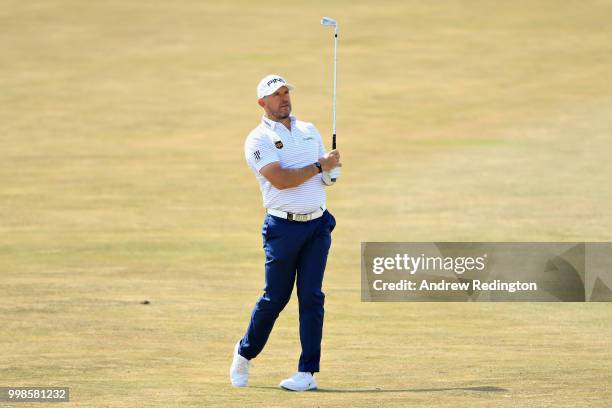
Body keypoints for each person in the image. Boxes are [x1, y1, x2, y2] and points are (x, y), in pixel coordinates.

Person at [230, 74, 341, 391]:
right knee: (275, 298)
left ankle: (307, 373)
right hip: (283, 227)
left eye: (285, 92)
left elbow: (328, 177)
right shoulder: (257, 140)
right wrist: (320, 166)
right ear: (261, 103)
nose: (284, 99)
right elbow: (280, 179)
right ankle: (245, 352)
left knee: (312, 297)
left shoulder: (309, 130)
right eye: (276, 95)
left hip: (317, 225)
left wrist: (332, 169)